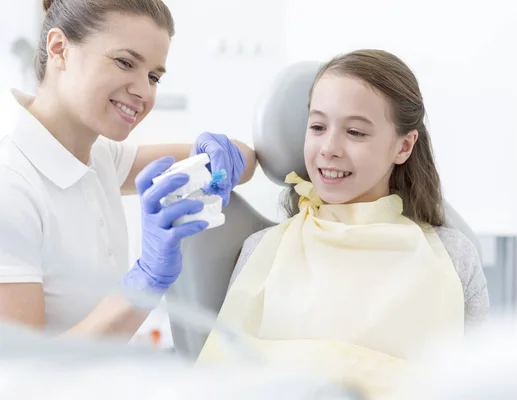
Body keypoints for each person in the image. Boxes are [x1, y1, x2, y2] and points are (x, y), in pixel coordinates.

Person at [196, 50, 490, 398]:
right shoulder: (262, 252)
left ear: (404, 146)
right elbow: (225, 383)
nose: (329, 148)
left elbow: (478, 385)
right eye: (318, 127)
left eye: (355, 132)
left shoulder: (453, 258)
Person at [0, 0, 257, 338]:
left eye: (153, 77)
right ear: (59, 49)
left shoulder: (101, 157)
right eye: (124, 62)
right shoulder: (12, 188)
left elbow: (245, 162)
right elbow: (22, 375)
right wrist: (145, 280)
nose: (143, 92)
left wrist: (218, 150)